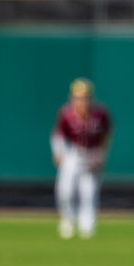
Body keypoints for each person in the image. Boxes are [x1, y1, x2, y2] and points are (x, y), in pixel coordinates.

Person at [51, 78, 113, 239]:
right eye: (78, 97)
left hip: (92, 153)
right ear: (72, 97)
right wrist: (59, 152)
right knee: (65, 190)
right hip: (73, 153)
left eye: (85, 97)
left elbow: (106, 135)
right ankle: (68, 220)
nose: (82, 101)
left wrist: (102, 155)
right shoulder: (66, 113)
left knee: (89, 192)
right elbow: (58, 135)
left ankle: (87, 225)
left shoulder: (100, 113)